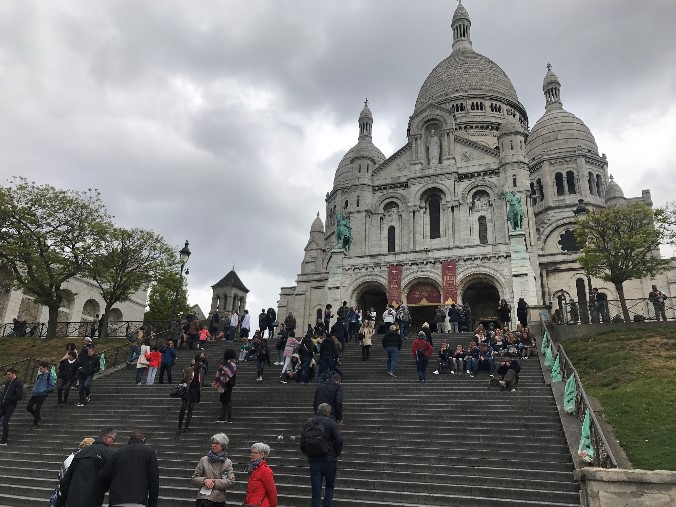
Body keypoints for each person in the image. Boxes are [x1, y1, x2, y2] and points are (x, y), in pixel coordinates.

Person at [99, 429, 159, 507]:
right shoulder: (149, 452)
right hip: (138, 501)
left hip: (117, 500)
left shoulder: (117, 453)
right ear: (143, 439)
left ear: (130, 439)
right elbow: (154, 481)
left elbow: (104, 475)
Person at [300, 403, 343, 507]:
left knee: (316, 491)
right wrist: (335, 453)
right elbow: (339, 439)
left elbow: (302, 444)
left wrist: (310, 454)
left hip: (314, 462)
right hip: (329, 461)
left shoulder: (308, 423)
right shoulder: (331, 422)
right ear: (328, 412)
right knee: (329, 486)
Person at [59, 427, 116, 507]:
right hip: (92, 499)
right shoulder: (110, 454)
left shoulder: (81, 452)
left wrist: (64, 497)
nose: (113, 443)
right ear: (108, 438)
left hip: (73, 498)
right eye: (113, 440)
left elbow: (67, 478)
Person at [191, 433, 236, 507]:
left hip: (218, 499)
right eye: (213, 443)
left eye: (217, 443)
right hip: (203, 498)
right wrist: (204, 481)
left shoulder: (227, 462)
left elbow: (231, 481)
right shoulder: (204, 460)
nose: (214, 445)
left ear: (223, 446)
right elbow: (194, 478)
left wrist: (213, 482)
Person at [243, 442, 278, 507]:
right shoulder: (252, 469)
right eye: (252, 453)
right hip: (250, 504)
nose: (252, 455)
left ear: (262, 455)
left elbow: (272, 492)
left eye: (255, 453)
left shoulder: (265, 470)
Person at [178, 358, 202, 433]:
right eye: (200, 362)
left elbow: (202, 382)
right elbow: (183, 380)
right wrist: (184, 376)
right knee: (183, 407)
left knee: (190, 409)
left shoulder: (201, 372)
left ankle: (186, 427)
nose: (201, 364)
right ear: (196, 362)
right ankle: (179, 426)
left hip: (195, 391)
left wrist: (212, 384)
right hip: (187, 390)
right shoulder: (189, 369)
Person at [0, 368, 24, 445]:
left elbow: (19, 395)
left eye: (9, 374)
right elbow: (4, 393)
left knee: (5, 421)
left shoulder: (18, 383)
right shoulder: (8, 383)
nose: (8, 376)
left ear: (14, 374)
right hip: (3, 404)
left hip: (10, 405)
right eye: (7, 374)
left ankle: (4, 440)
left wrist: (10, 399)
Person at [26, 361, 54, 427]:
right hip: (35, 394)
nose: (40, 370)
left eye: (41, 368)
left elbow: (51, 386)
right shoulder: (39, 376)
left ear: (45, 368)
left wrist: (44, 390)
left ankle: (35, 422)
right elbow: (37, 384)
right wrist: (34, 389)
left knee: (37, 409)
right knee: (29, 407)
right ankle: (37, 417)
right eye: (39, 368)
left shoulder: (49, 376)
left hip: (42, 395)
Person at [214, 349, 237, 423]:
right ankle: (223, 416)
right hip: (224, 383)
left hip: (228, 384)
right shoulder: (227, 363)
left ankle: (229, 417)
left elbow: (229, 373)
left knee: (227, 400)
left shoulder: (231, 363)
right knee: (223, 400)